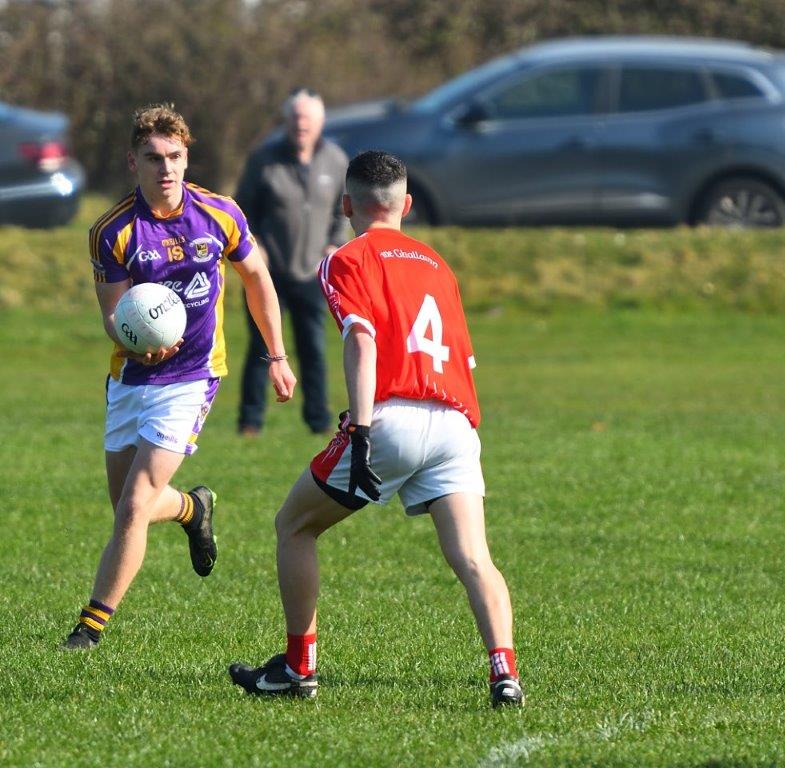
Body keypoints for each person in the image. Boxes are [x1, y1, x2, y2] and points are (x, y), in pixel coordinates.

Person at [228, 151, 524, 708]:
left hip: (391, 418)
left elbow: (361, 338)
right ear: (407, 205)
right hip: (456, 422)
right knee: (473, 558)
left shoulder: (346, 258)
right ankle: (504, 674)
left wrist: (361, 430)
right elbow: (464, 360)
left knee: (293, 526)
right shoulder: (439, 265)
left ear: (345, 206)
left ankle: (298, 669)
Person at [64, 104, 297, 651]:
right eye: (152, 158)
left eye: (174, 157)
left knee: (135, 506)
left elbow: (258, 279)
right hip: (129, 377)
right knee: (125, 502)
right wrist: (132, 342)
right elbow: (111, 313)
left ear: (187, 158)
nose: (165, 168)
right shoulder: (112, 230)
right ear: (132, 161)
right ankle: (194, 508)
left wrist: (277, 355)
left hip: (193, 375)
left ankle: (91, 626)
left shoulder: (220, 215)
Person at [235, 88, 349, 437]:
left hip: (312, 272)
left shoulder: (335, 159)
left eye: (309, 119)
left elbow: (343, 210)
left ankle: (318, 422)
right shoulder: (264, 159)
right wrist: (254, 246)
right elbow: (241, 210)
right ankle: (250, 423)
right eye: (296, 118)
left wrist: (335, 242)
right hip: (267, 273)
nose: (302, 125)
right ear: (286, 121)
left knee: (312, 347)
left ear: (320, 123)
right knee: (261, 347)